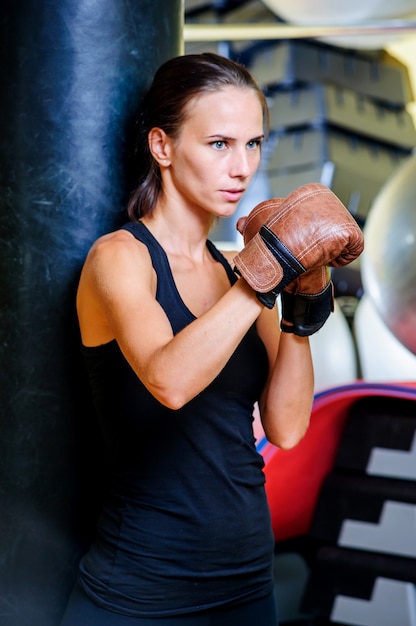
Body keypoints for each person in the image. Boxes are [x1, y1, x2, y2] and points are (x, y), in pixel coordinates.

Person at [59, 52, 316, 626]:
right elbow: (169, 382)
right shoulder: (120, 259)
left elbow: (288, 428)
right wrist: (265, 276)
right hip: (141, 590)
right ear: (163, 147)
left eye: (254, 143)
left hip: (249, 580)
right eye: (219, 144)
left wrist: (301, 307)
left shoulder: (236, 272)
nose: (242, 168)